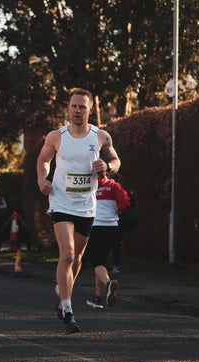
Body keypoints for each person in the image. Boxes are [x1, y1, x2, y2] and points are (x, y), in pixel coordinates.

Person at [36, 88, 121, 334]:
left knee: (77, 261)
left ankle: (61, 293)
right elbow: (43, 160)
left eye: (82, 107)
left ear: (91, 110)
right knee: (68, 255)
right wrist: (42, 179)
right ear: (67, 108)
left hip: (86, 206)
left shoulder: (101, 137)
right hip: (61, 203)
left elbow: (116, 161)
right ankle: (67, 310)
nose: (77, 110)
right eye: (73, 106)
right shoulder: (56, 136)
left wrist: (106, 165)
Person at [85, 172, 130, 309]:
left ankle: (108, 284)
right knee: (101, 262)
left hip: (95, 225)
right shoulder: (114, 186)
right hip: (112, 227)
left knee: (96, 264)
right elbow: (125, 203)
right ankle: (97, 298)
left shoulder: (90, 185)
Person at [111, 187, 139, 273]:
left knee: (115, 242)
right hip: (123, 220)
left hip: (117, 220)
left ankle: (115, 264)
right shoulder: (124, 191)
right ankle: (116, 265)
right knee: (117, 242)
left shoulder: (113, 190)